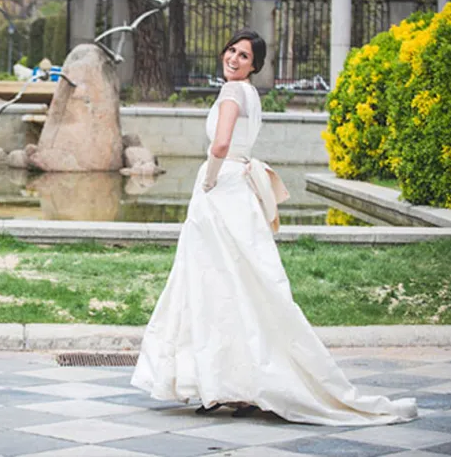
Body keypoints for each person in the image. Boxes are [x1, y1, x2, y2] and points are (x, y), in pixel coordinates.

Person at [130, 29, 417, 426]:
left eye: (243, 56)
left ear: (254, 65)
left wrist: (209, 180)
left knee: (213, 283)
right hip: (240, 191)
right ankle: (235, 383)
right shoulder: (251, 94)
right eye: (232, 50)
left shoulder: (232, 92)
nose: (233, 58)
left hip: (221, 190)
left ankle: (224, 381)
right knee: (242, 284)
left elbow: (221, 145)